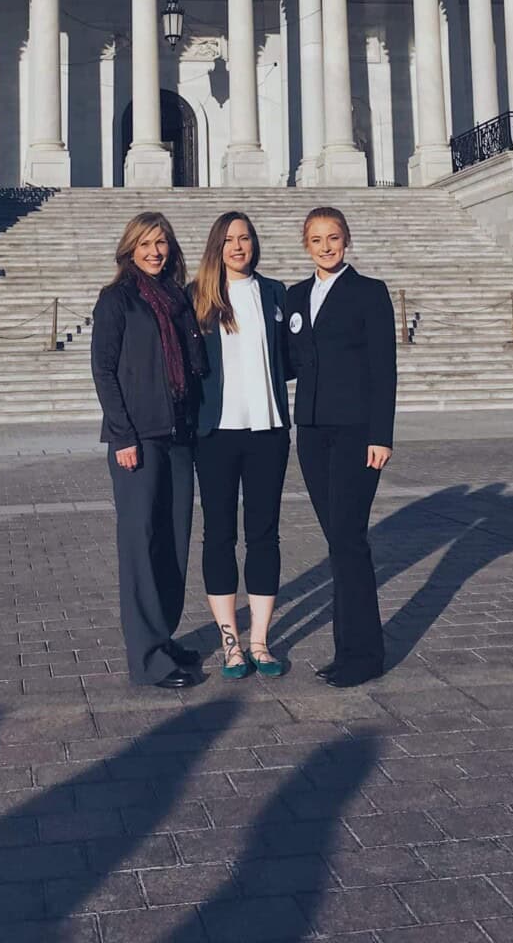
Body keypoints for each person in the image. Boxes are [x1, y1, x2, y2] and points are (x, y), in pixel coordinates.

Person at [91, 211, 208, 689]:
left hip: (179, 434)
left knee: (174, 540)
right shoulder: (117, 300)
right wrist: (122, 436)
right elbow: (104, 371)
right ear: (129, 249)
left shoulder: (178, 299)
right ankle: (146, 657)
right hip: (137, 439)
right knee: (140, 543)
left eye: (161, 243)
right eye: (145, 244)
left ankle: (163, 635)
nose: (154, 252)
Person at [285, 206, 397, 688]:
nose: (326, 246)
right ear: (305, 245)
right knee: (338, 541)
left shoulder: (369, 292)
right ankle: (346, 649)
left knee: (349, 540)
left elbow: (384, 367)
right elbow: (287, 361)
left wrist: (380, 435)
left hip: (355, 432)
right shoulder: (294, 296)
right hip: (311, 432)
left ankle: (365, 654)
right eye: (316, 239)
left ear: (346, 240)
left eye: (333, 237)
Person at [190, 212, 291, 679]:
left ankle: (260, 641)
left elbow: (291, 359)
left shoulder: (275, 293)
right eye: (229, 239)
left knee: (264, 534)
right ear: (217, 246)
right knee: (219, 536)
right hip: (216, 433)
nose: (238, 246)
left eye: (244, 238)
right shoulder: (198, 297)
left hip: (268, 431)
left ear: (255, 243)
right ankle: (231, 642)